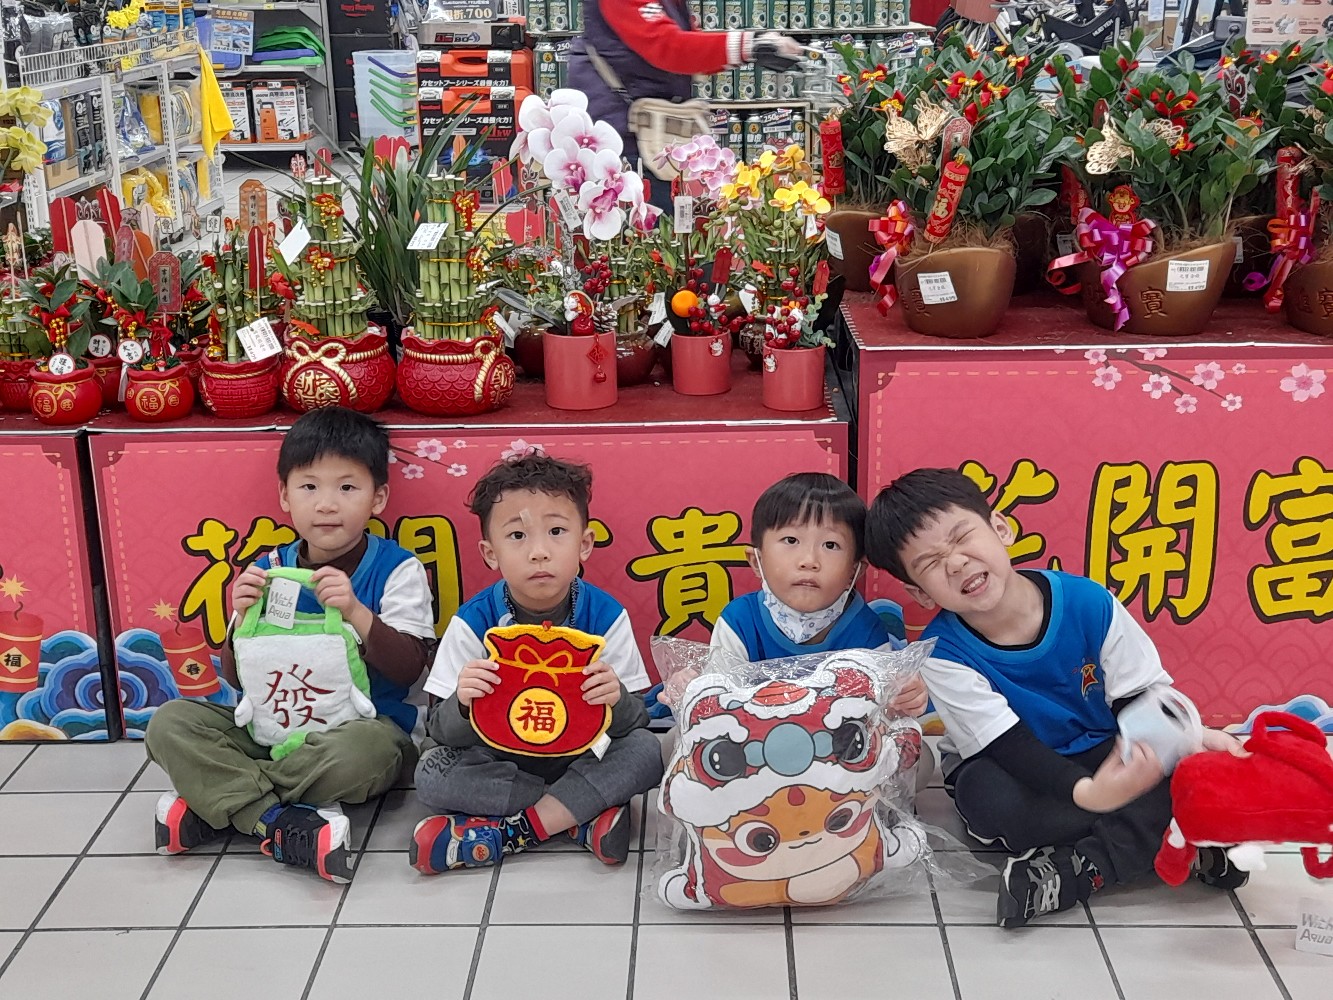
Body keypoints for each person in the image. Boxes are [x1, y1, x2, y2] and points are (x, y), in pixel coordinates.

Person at [863, 468, 1250, 928]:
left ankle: (1085, 869)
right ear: (919, 593)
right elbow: (1009, 747)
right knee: (991, 800)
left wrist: (1188, 739)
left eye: (962, 537)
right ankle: (1179, 836)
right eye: (930, 563)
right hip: (1013, 769)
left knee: (1201, 766)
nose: (957, 563)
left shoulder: (1088, 602)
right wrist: (1091, 794)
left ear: (1001, 528)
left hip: (1106, 749)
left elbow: (1140, 698)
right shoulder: (943, 654)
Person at [145, 407, 436, 883]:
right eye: (309, 487)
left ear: (378, 497)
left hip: (359, 733)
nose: (327, 505)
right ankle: (277, 823)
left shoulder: (398, 569)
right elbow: (237, 679)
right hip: (270, 733)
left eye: (347, 488)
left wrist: (356, 612)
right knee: (171, 723)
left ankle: (216, 805)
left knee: (371, 753)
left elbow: (409, 669)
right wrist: (240, 623)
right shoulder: (267, 570)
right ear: (285, 495)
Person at [410, 452, 664, 875]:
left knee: (646, 751)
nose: (539, 552)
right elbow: (439, 731)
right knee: (431, 772)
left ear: (584, 544)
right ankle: (574, 817)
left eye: (557, 532)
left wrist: (616, 698)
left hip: (578, 755)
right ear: (490, 553)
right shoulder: (474, 621)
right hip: (501, 761)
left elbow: (634, 720)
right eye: (517, 536)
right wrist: (463, 703)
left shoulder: (605, 615)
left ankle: (513, 830)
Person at [569, 0, 807, 209]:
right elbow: (668, 46)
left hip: (647, 131)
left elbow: (687, 49)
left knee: (669, 224)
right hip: (622, 133)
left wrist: (755, 46)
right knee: (650, 228)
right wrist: (749, 46)